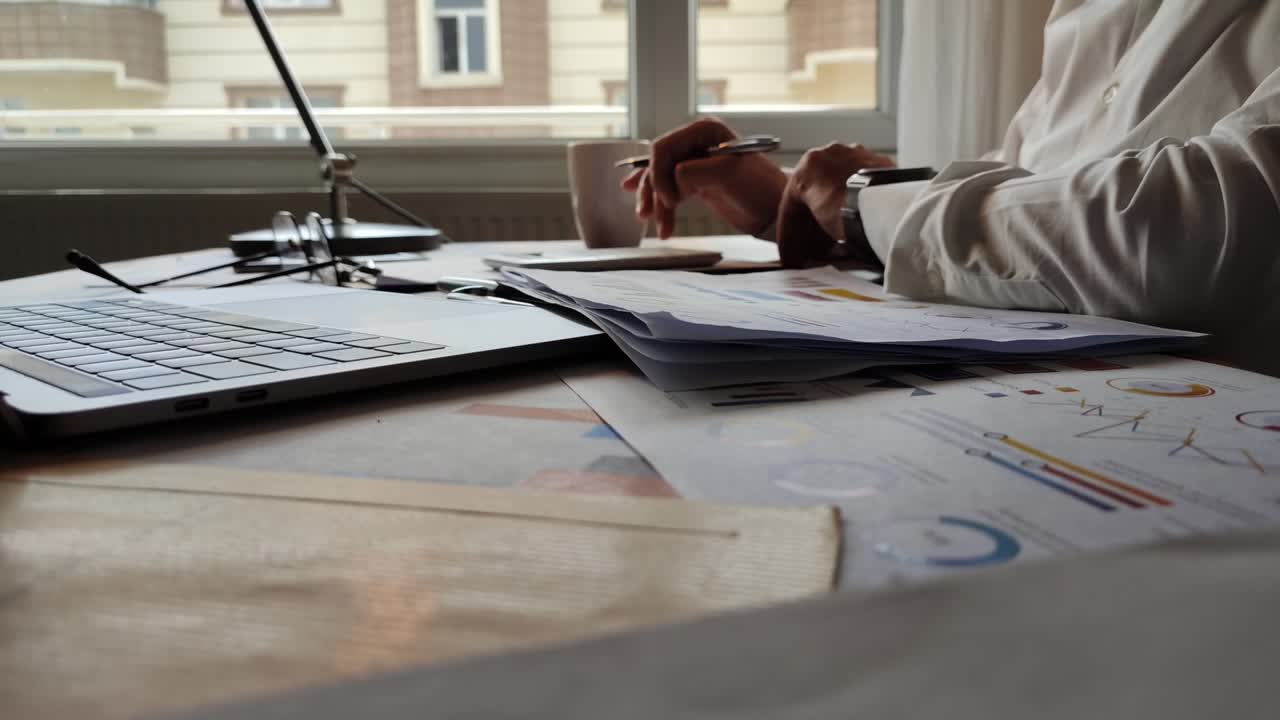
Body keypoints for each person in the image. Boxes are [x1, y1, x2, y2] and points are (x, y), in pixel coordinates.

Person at [623, 0, 1280, 376]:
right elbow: (1027, 188)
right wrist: (790, 204)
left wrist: (860, 203)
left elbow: (1195, 235)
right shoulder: (1086, 13)